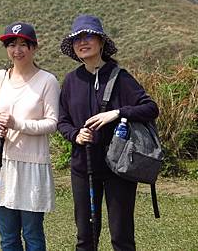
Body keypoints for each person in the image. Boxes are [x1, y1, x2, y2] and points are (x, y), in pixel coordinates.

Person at [57, 15, 159, 251]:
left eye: (89, 36)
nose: (83, 42)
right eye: (77, 39)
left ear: (101, 42)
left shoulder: (120, 77)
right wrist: (76, 135)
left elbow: (151, 108)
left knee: (121, 237)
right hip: (83, 166)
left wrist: (116, 113)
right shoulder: (71, 80)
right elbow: (62, 121)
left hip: (118, 168)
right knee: (85, 238)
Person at [0, 22, 60, 251]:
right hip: (2, 164)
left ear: (34, 48)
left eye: (24, 44)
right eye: (12, 44)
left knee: (33, 234)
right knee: (8, 236)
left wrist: (17, 124)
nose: (17, 50)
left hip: (33, 165)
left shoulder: (47, 81)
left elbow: (52, 123)